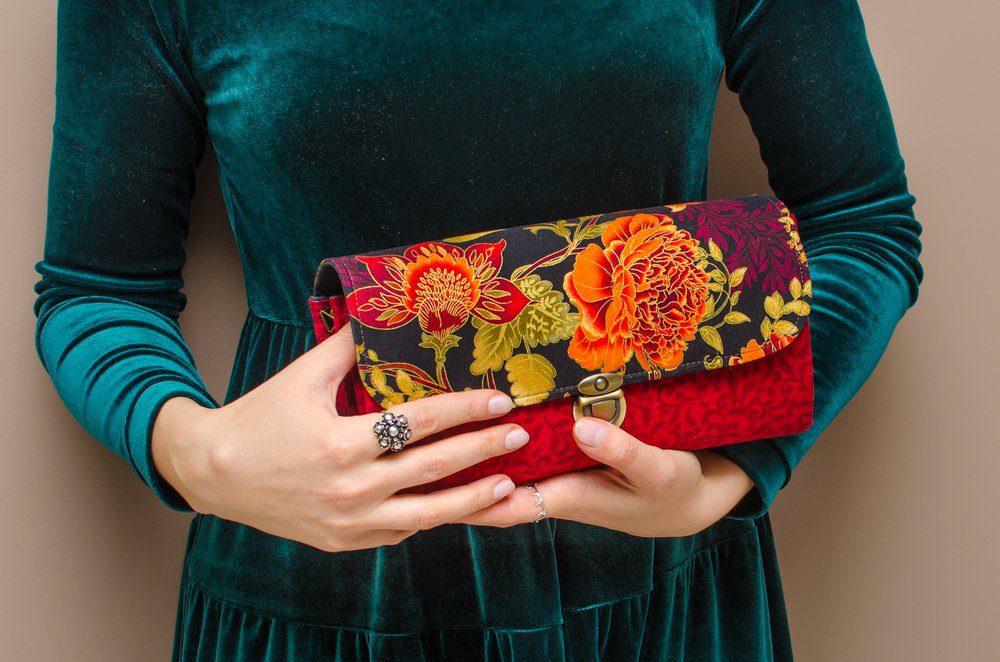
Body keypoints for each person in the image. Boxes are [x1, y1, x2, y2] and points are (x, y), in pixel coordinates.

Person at [32, 0, 923, 659]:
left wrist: (733, 472)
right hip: (323, 583)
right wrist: (202, 456)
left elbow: (864, 218)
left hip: (665, 582)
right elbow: (96, 286)